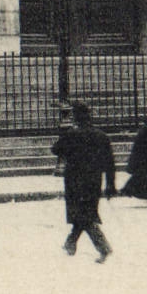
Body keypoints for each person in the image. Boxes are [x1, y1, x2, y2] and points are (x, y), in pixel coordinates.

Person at [51, 100, 116, 261]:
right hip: (94, 181)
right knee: (85, 213)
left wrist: (65, 133)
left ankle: (103, 248)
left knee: (84, 216)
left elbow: (56, 149)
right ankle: (70, 243)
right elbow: (110, 163)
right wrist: (110, 185)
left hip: (74, 181)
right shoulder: (101, 136)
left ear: (76, 117)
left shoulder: (72, 135)